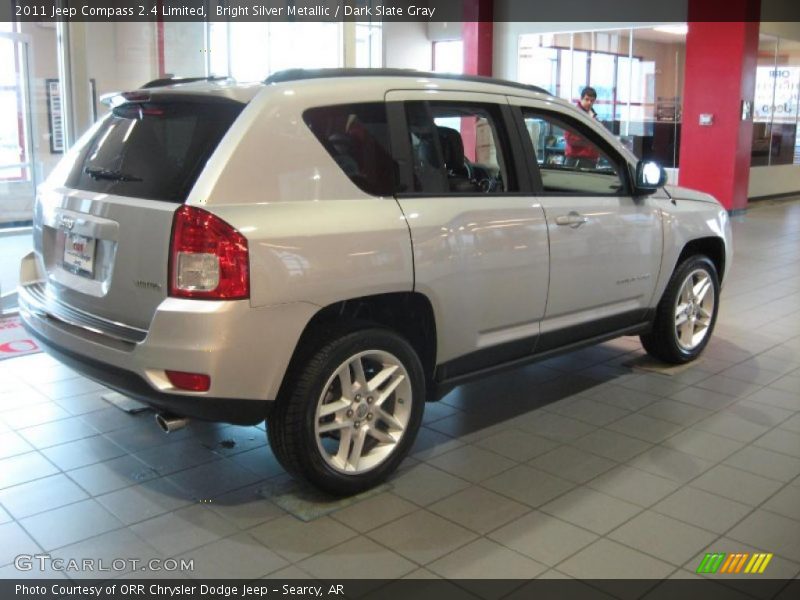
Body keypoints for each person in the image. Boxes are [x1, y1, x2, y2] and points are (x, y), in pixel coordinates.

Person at [564, 86, 600, 169]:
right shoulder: (574, 115)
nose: (589, 103)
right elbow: (570, 138)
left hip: (590, 159)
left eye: (592, 101)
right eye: (587, 99)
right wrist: (591, 140)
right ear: (581, 98)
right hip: (577, 160)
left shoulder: (592, 115)